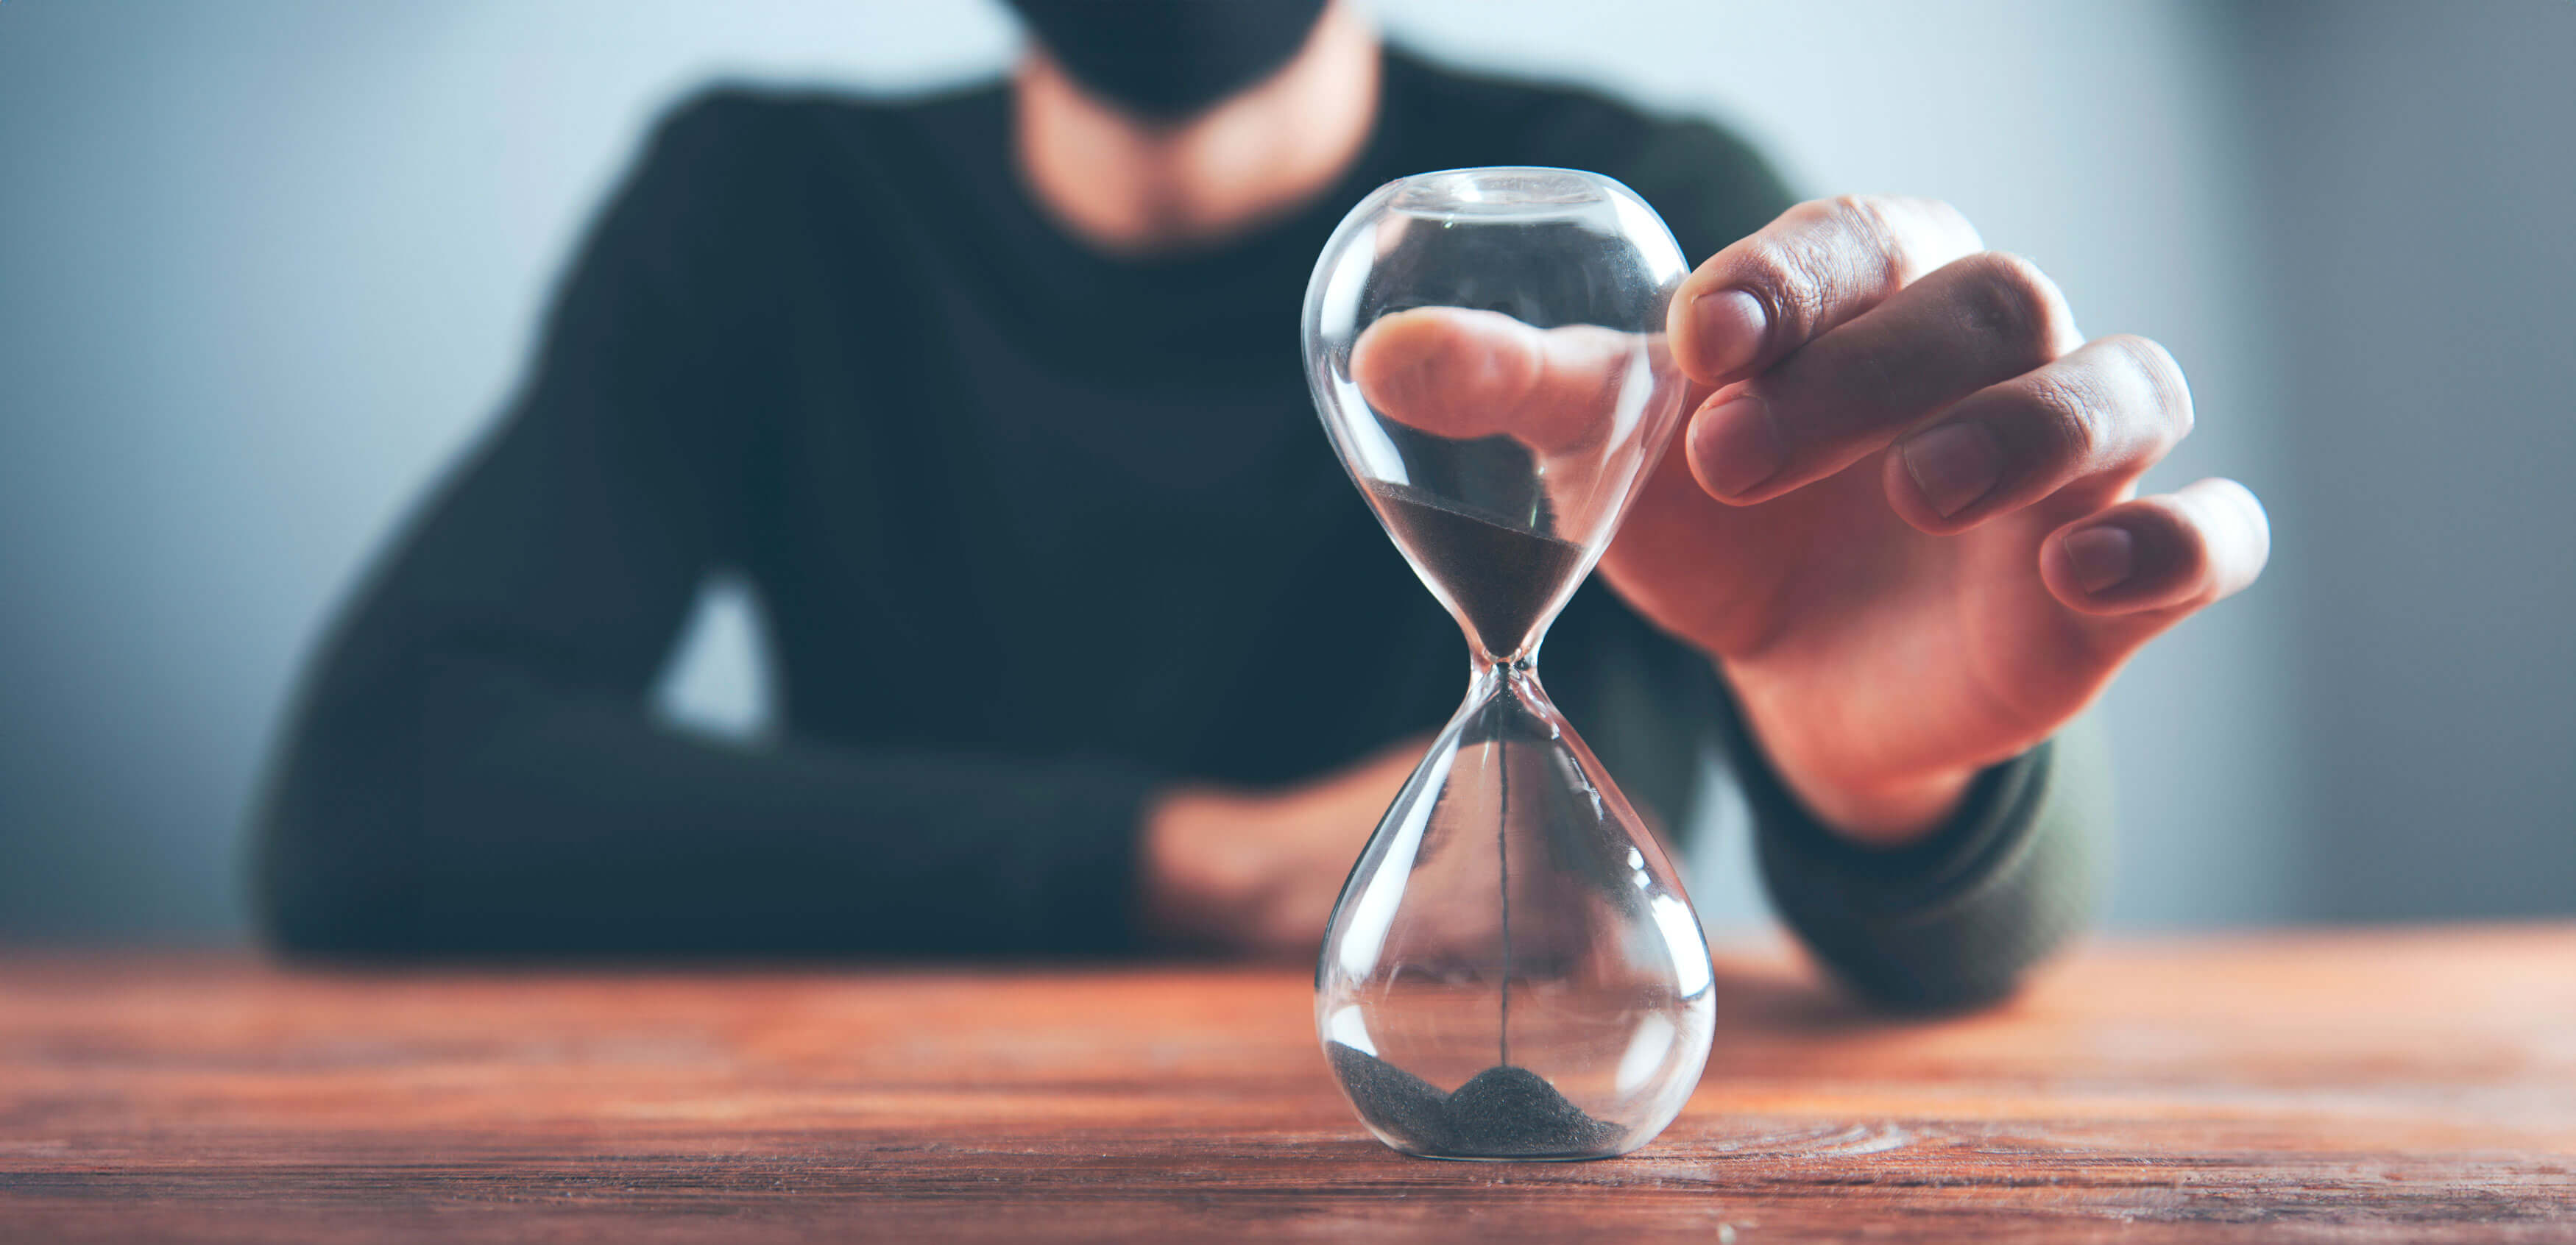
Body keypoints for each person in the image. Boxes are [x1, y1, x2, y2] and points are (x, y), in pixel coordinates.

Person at [252, 0, 2267, 1010]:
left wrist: (1905, 785)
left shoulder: (1619, 207)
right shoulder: (764, 209)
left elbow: (1953, 962)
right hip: (892, 1189)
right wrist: (1191, 863)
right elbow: (380, 796)